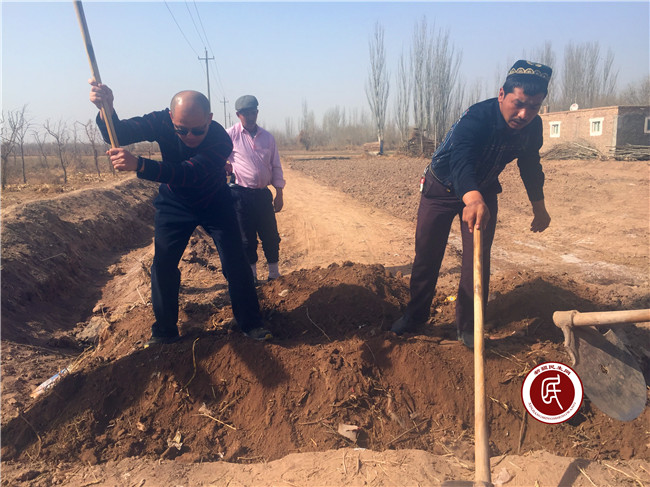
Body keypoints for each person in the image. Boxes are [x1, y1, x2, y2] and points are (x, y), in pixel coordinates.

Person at [89, 80, 272, 345]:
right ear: (171, 117)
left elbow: (188, 172)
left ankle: (251, 323)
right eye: (181, 130)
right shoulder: (160, 121)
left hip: (215, 202)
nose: (190, 136)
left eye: (198, 130)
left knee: (236, 262)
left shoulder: (220, 140)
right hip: (175, 203)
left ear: (209, 119)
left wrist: (140, 164)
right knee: (163, 265)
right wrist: (106, 108)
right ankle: (164, 331)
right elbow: (117, 132)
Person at [391, 60, 553, 348]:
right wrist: (472, 197)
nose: (524, 114)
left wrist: (539, 208)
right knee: (427, 254)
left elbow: (530, 165)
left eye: (534, 107)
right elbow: (461, 159)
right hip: (441, 188)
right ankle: (415, 317)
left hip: (484, 190)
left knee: (477, 259)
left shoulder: (533, 127)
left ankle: (469, 327)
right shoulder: (477, 117)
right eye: (518, 103)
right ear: (501, 94)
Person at [226, 95, 286, 282]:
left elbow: (276, 165)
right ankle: (251, 277)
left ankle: (274, 275)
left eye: (254, 112)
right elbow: (217, 159)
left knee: (271, 235)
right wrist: (225, 168)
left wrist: (279, 193)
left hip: (262, 195)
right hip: (240, 195)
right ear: (238, 115)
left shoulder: (267, 138)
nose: (251, 117)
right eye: (246, 114)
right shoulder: (230, 136)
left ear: (257, 112)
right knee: (246, 238)